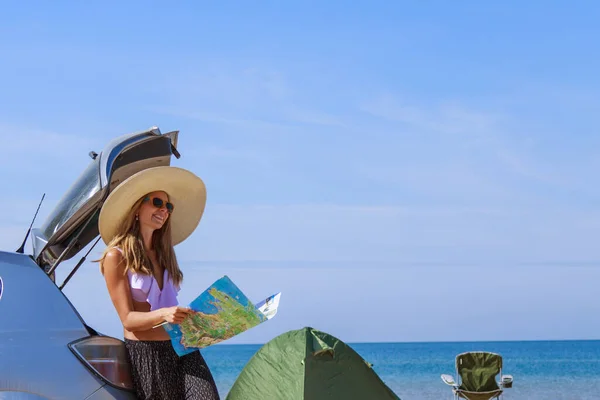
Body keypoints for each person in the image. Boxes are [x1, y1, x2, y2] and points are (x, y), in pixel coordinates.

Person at [95, 165, 220, 400]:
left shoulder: (166, 256)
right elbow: (128, 320)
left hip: (183, 347)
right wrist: (164, 314)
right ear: (136, 208)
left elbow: (172, 310)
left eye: (168, 206)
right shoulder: (117, 257)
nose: (164, 210)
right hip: (148, 354)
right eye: (156, 202)